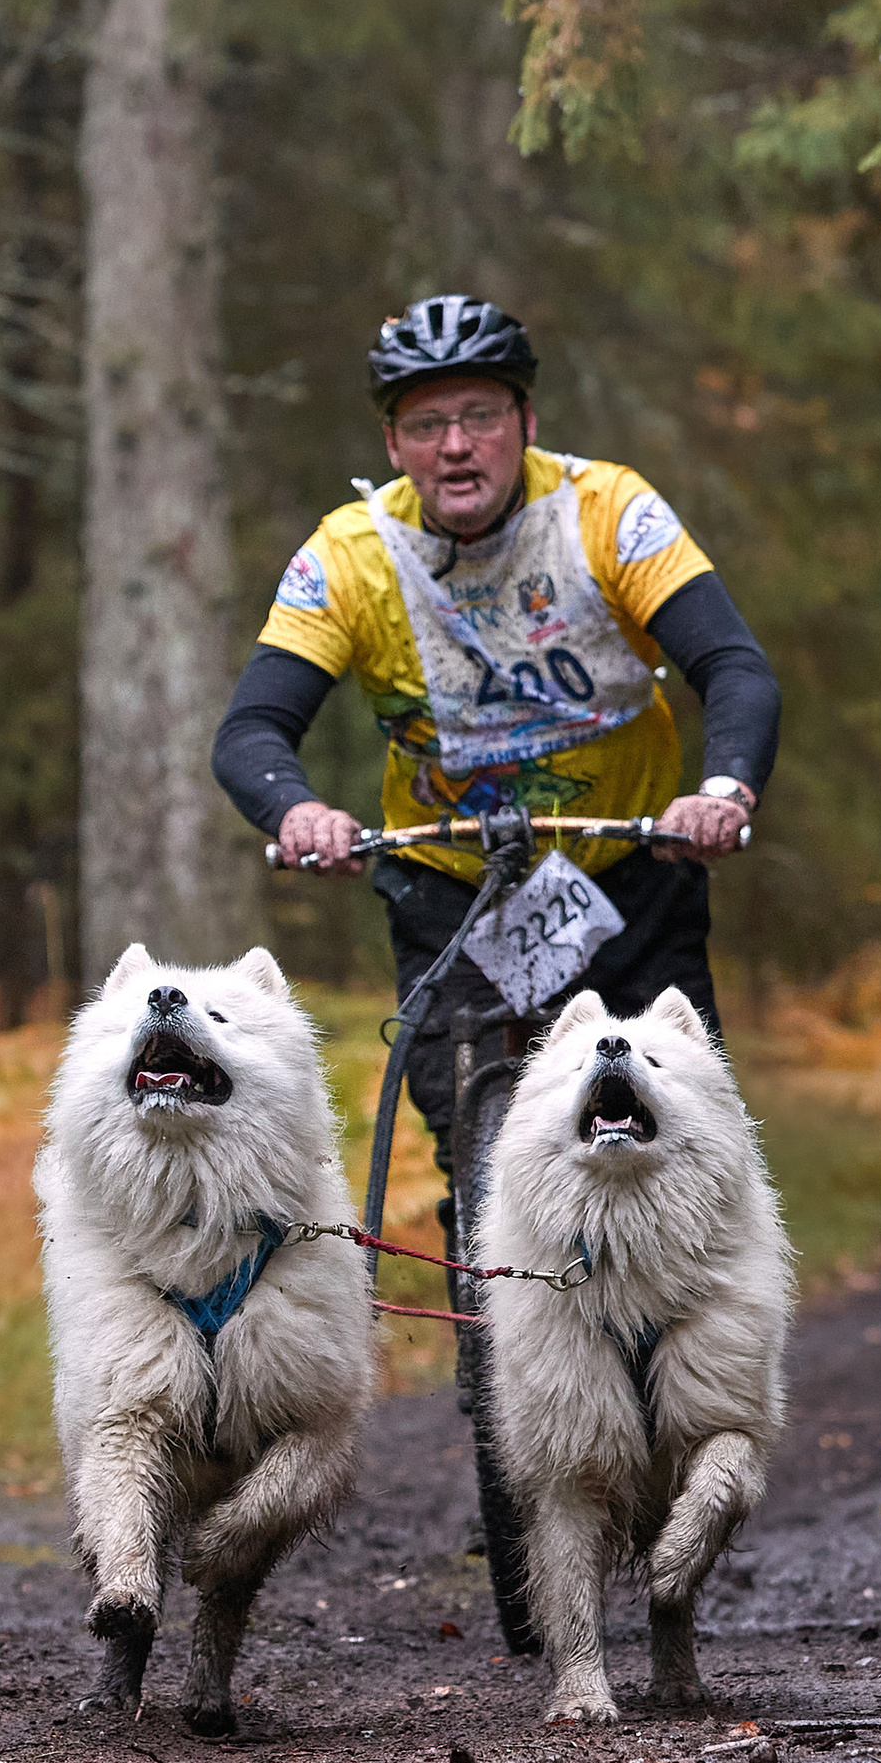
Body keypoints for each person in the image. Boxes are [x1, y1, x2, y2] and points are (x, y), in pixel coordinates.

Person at [212, 292, 780, 1184]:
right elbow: (252, 730)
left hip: (628, 883)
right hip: (454, 903)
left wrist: (722, 793)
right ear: (393, 446)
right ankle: (491, 1321)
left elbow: (736, 669)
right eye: (427, 423)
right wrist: (299, 811)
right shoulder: (349, 555)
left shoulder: (609, 511)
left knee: (684, 1155)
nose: (456, 445)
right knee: (482, 1167)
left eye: (481, 415)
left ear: (526, 420)